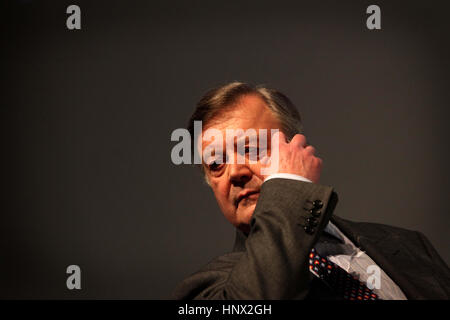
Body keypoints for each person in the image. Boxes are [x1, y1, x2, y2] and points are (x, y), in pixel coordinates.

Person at [172, 82, 450, 300]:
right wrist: (290, 186)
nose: (235, 172)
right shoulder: (208, 288)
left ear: (297, 150)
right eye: (216, 163)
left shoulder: (411, 245)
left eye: (250, 148)